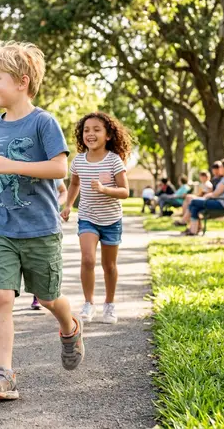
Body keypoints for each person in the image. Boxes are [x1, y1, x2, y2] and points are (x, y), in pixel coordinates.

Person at [0, 41, 83, 401]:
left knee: (49, 297)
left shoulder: (43, 122)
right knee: (1, 296)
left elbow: (59, 168)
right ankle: (4, 373)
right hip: (3, 228)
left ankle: (69, 327)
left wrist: (13, 166)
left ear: (22, 82)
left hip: (41, 229)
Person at [61, 112, 132, 326]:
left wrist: (104, 189)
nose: (90, 134)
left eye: (96, 130)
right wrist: (68, 206)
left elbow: (125, 191)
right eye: (86, 130)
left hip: (111, 220)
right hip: (88, 217)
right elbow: (74, 184)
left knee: (109, 265)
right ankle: (88, 302)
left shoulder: (114, 160)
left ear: (108, 135)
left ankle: (109, 303)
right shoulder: (79, 161)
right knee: (88, 259)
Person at [31, 178, 67, 310]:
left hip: (47, 224)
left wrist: (54, 204)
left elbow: (64, 192)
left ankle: (40, 294)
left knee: (40, 263)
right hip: (25, 222)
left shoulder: (50, 171)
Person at [185, 158, 224, 236]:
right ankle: (193, 231)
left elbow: (215, 194)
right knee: (195, 207)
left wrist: (206, 196)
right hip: (223, 203)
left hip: (221, 204)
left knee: (193, 201)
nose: (219, 169)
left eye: (220, 167)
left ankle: (184, 222)